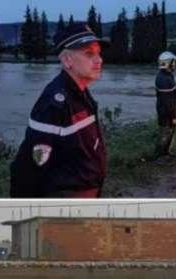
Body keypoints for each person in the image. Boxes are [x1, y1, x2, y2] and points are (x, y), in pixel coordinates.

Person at [9, 23, 106, 198]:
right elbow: (30, 166)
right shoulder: (54, 103)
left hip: (88, 190)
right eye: (89, 53)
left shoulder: (81, 91)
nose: (99, 60)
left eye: (98, 52)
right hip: (68, 198)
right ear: (67, 60)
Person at [154, 51, 176, 160]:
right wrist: (174, 116)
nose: (175, 64)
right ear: (167, 63)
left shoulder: (167, 75)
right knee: (164, 134)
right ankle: (159, 157)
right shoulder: (164, 79)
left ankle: (166, 153)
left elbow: (173, 98)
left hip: (168, 112)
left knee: (169, 133)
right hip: (165, 113)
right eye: (173, 62)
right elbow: (168, 102)